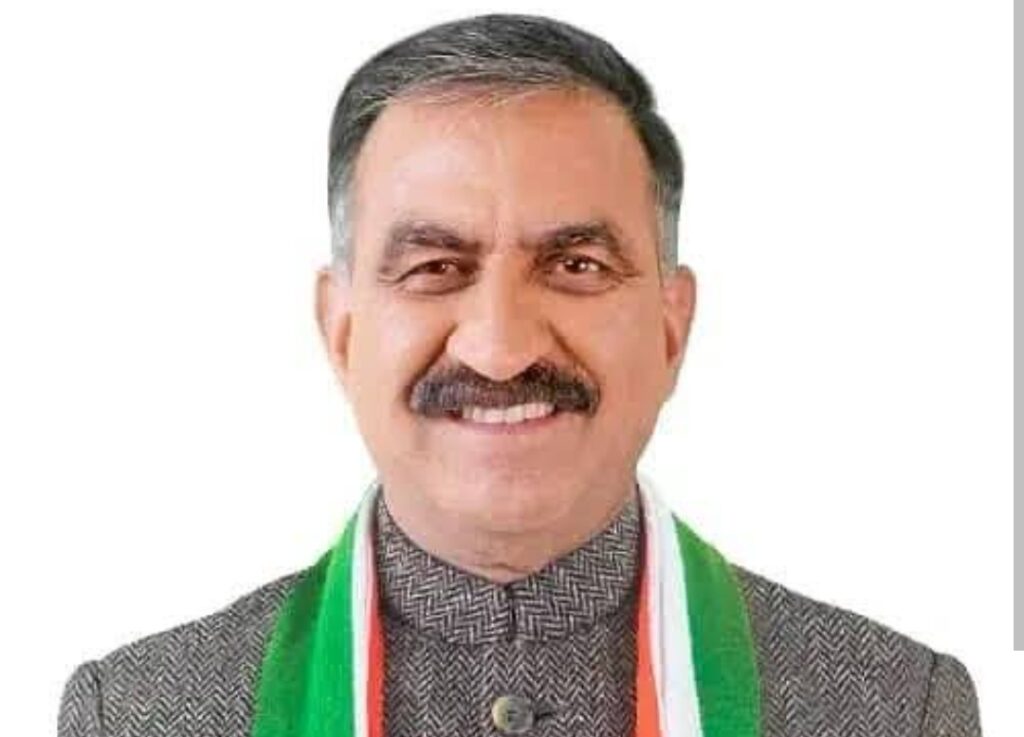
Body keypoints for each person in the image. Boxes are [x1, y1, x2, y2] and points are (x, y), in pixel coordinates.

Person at [58, 13, 982, 737]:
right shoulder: (133, 715)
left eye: (576, 265)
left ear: (672, 326)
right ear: (341, 332)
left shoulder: (897, 709)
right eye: (435, 267)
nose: (498, 347)